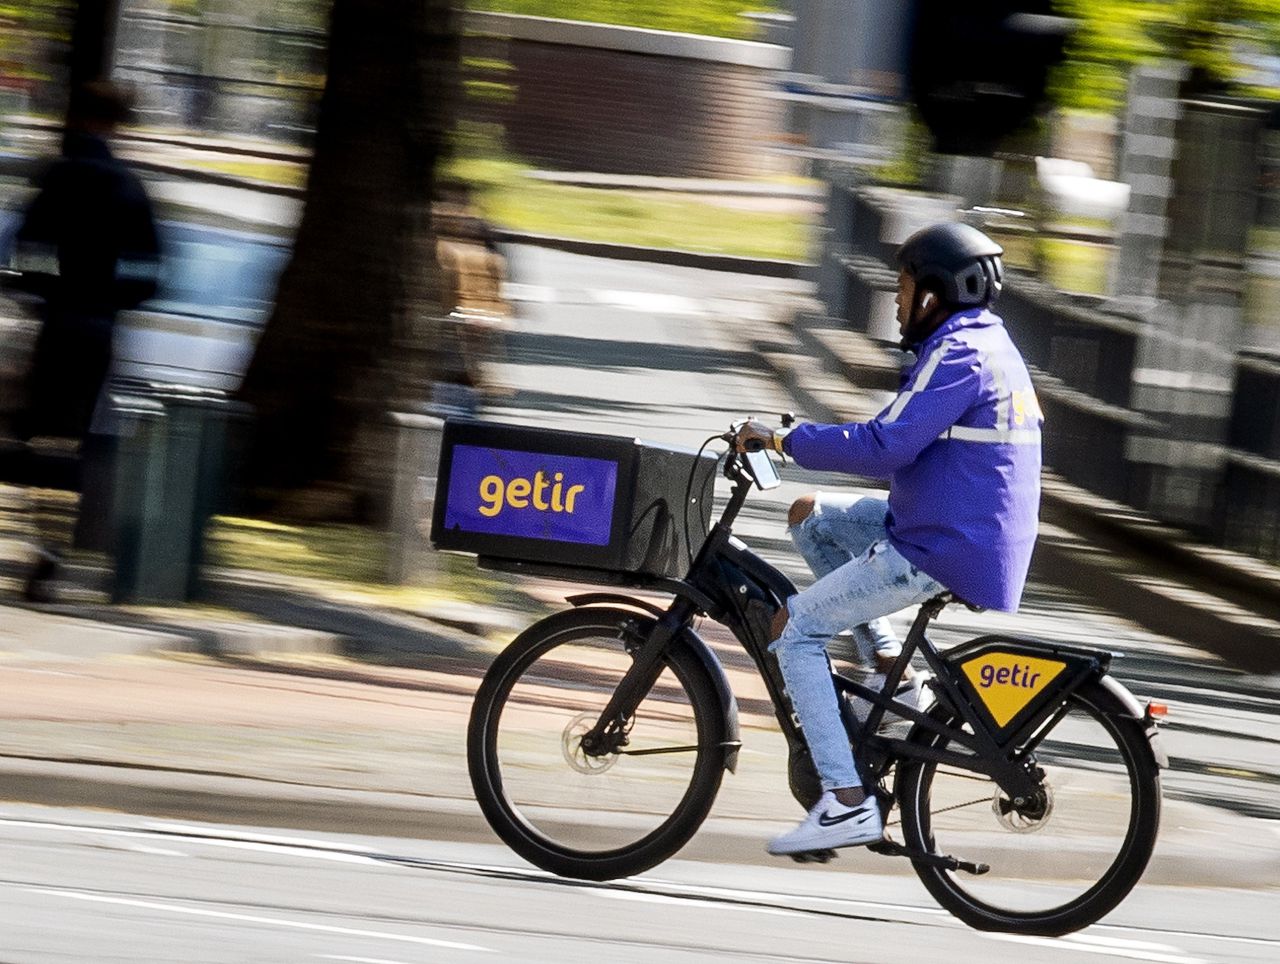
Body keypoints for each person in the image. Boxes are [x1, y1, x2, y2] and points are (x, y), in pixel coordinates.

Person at [733, 222, 1043, 856]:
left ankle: (846, 802)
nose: (896, 303)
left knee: (795, 630)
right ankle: (892, 676)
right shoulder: (986, 342)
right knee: (809, 517)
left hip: (944, 543)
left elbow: (885, 445)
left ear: (934, 294)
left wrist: (783, 439)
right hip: (949, 521)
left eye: (902, 287)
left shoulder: (958, 355)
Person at [9, 80, 160, 599]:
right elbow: (149, 271)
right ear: (115, 125)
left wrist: (42, 290)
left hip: (57, 321)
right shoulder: (128, 187)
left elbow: (26, 249)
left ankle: (42, 542)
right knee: (78, 439)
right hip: (98, 327)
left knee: (41, 437)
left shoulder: (57, 179)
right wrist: (115, 299)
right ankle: (59, 547)